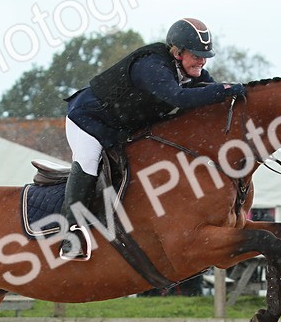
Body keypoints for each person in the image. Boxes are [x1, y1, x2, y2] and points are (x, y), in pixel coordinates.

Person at [58, 18, 247, 260]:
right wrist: (226, 90)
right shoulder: (152, 66)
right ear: (178, 52)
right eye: (197, 54)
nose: (202, 60)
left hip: (121, 128)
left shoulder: (192, 72)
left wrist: (238, 96)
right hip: (88, 120)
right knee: (87, 161)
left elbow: (213, 93)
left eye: (205, 55)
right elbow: (180, 98)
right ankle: (71, 235)